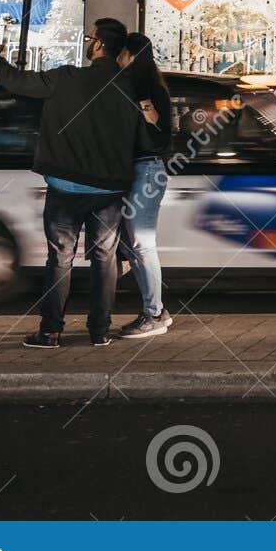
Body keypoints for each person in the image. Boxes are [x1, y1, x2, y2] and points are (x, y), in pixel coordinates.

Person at [0, 22, 146, 348]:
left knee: (59, 257)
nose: (88, 42)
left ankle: (50, 331)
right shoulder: (128, 87)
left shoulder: (66, 78)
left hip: (65, 185)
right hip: (108, 189)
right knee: (105, 258)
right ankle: (99, 331)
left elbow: (18, 83)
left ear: (99, 45)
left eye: (90, 38)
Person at [116, 33, 174, 340]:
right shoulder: (132, 85)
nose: (119, 56)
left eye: (123, 52)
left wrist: (141, 103)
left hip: (148, 169)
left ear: (133, 55)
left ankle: (155, 313)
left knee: (140, 241)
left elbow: (160, 132)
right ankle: (155, 310)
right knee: (129, 242)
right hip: (134, 169)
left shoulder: (148, 88)